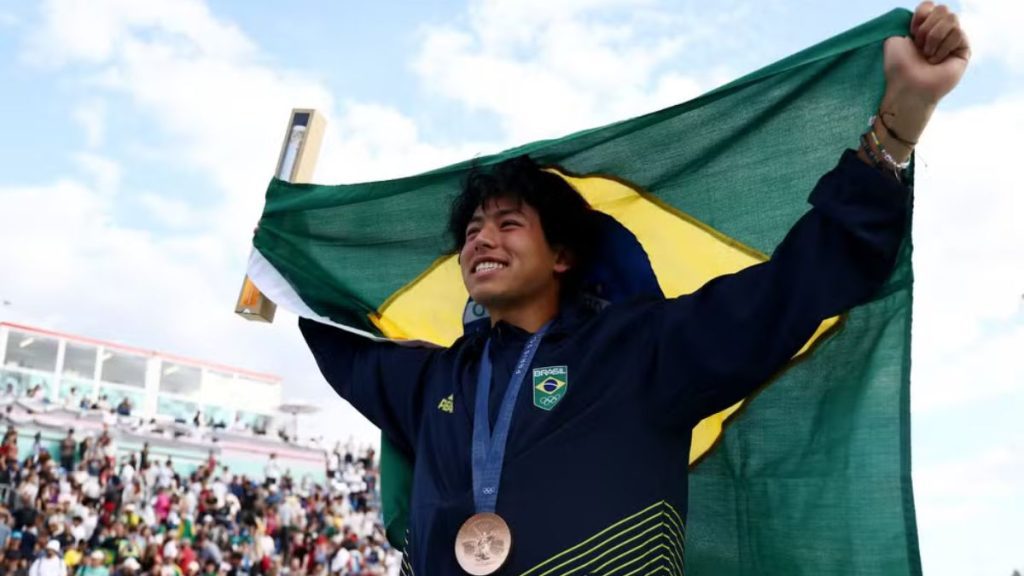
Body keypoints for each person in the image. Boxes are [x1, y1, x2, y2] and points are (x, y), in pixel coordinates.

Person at [297, 3, 970, 573]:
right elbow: (329, 330)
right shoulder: (433, 382)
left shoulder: (643, 353)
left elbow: (790, 290)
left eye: (507, 224)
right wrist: (277, 262)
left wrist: (896, 129)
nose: (481, 240)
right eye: (471, 230)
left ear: (563, 255)